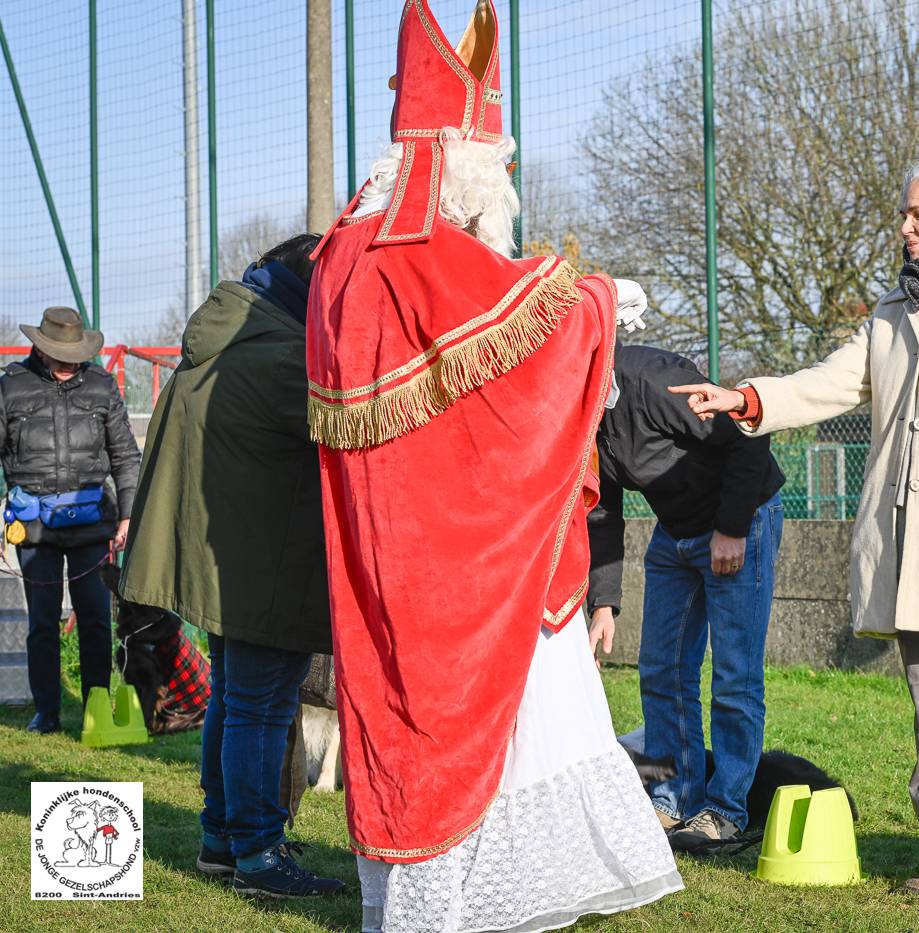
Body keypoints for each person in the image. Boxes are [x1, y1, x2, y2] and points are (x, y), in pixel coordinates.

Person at [305, 2, 680, 930]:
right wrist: (595, 302)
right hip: (452, 550)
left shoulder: (348, 246)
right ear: (464, 171)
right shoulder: (410, 248)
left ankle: (432, 893)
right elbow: (523, 332)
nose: (492, 216)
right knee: (450, 719)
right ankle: (454, 898)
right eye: (491, 190)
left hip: (396, 538)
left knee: (410, 711)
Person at [671, 157, 919, 907]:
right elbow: (833, 381)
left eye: (918, 214)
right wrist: (748, 396)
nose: (905, 227)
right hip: (912, 553)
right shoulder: (895, 305)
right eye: (905, 214)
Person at [119, 233, 346, 898]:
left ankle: (224, 838)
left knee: (238, 696)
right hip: (260, 563)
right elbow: (350, 422)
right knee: (260, 704)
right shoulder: (280, 355)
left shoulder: (235, 334)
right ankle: (257, 852)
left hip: (231, 557)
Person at [588, 342, 786, 850]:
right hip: (674, 533)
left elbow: (747, 433)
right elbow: (601, 510)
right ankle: (670, 799)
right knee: (660, 669)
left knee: (734, 675)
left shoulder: (652, 380)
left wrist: (731, 529)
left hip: (740, 520)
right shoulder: (579, 413)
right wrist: (604, 602)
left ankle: (725, 810)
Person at [0, 306, 141, 734]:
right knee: (42, 622)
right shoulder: (10, 388)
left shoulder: (102, 387)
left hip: (92, 525)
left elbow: (125, 456)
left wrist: (129, 516)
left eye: (74, 353)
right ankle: (47, 713)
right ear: (41, 349)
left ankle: (96, 710)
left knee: (95, 619)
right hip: (34, 528)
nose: (68, 361)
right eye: (60, 352)